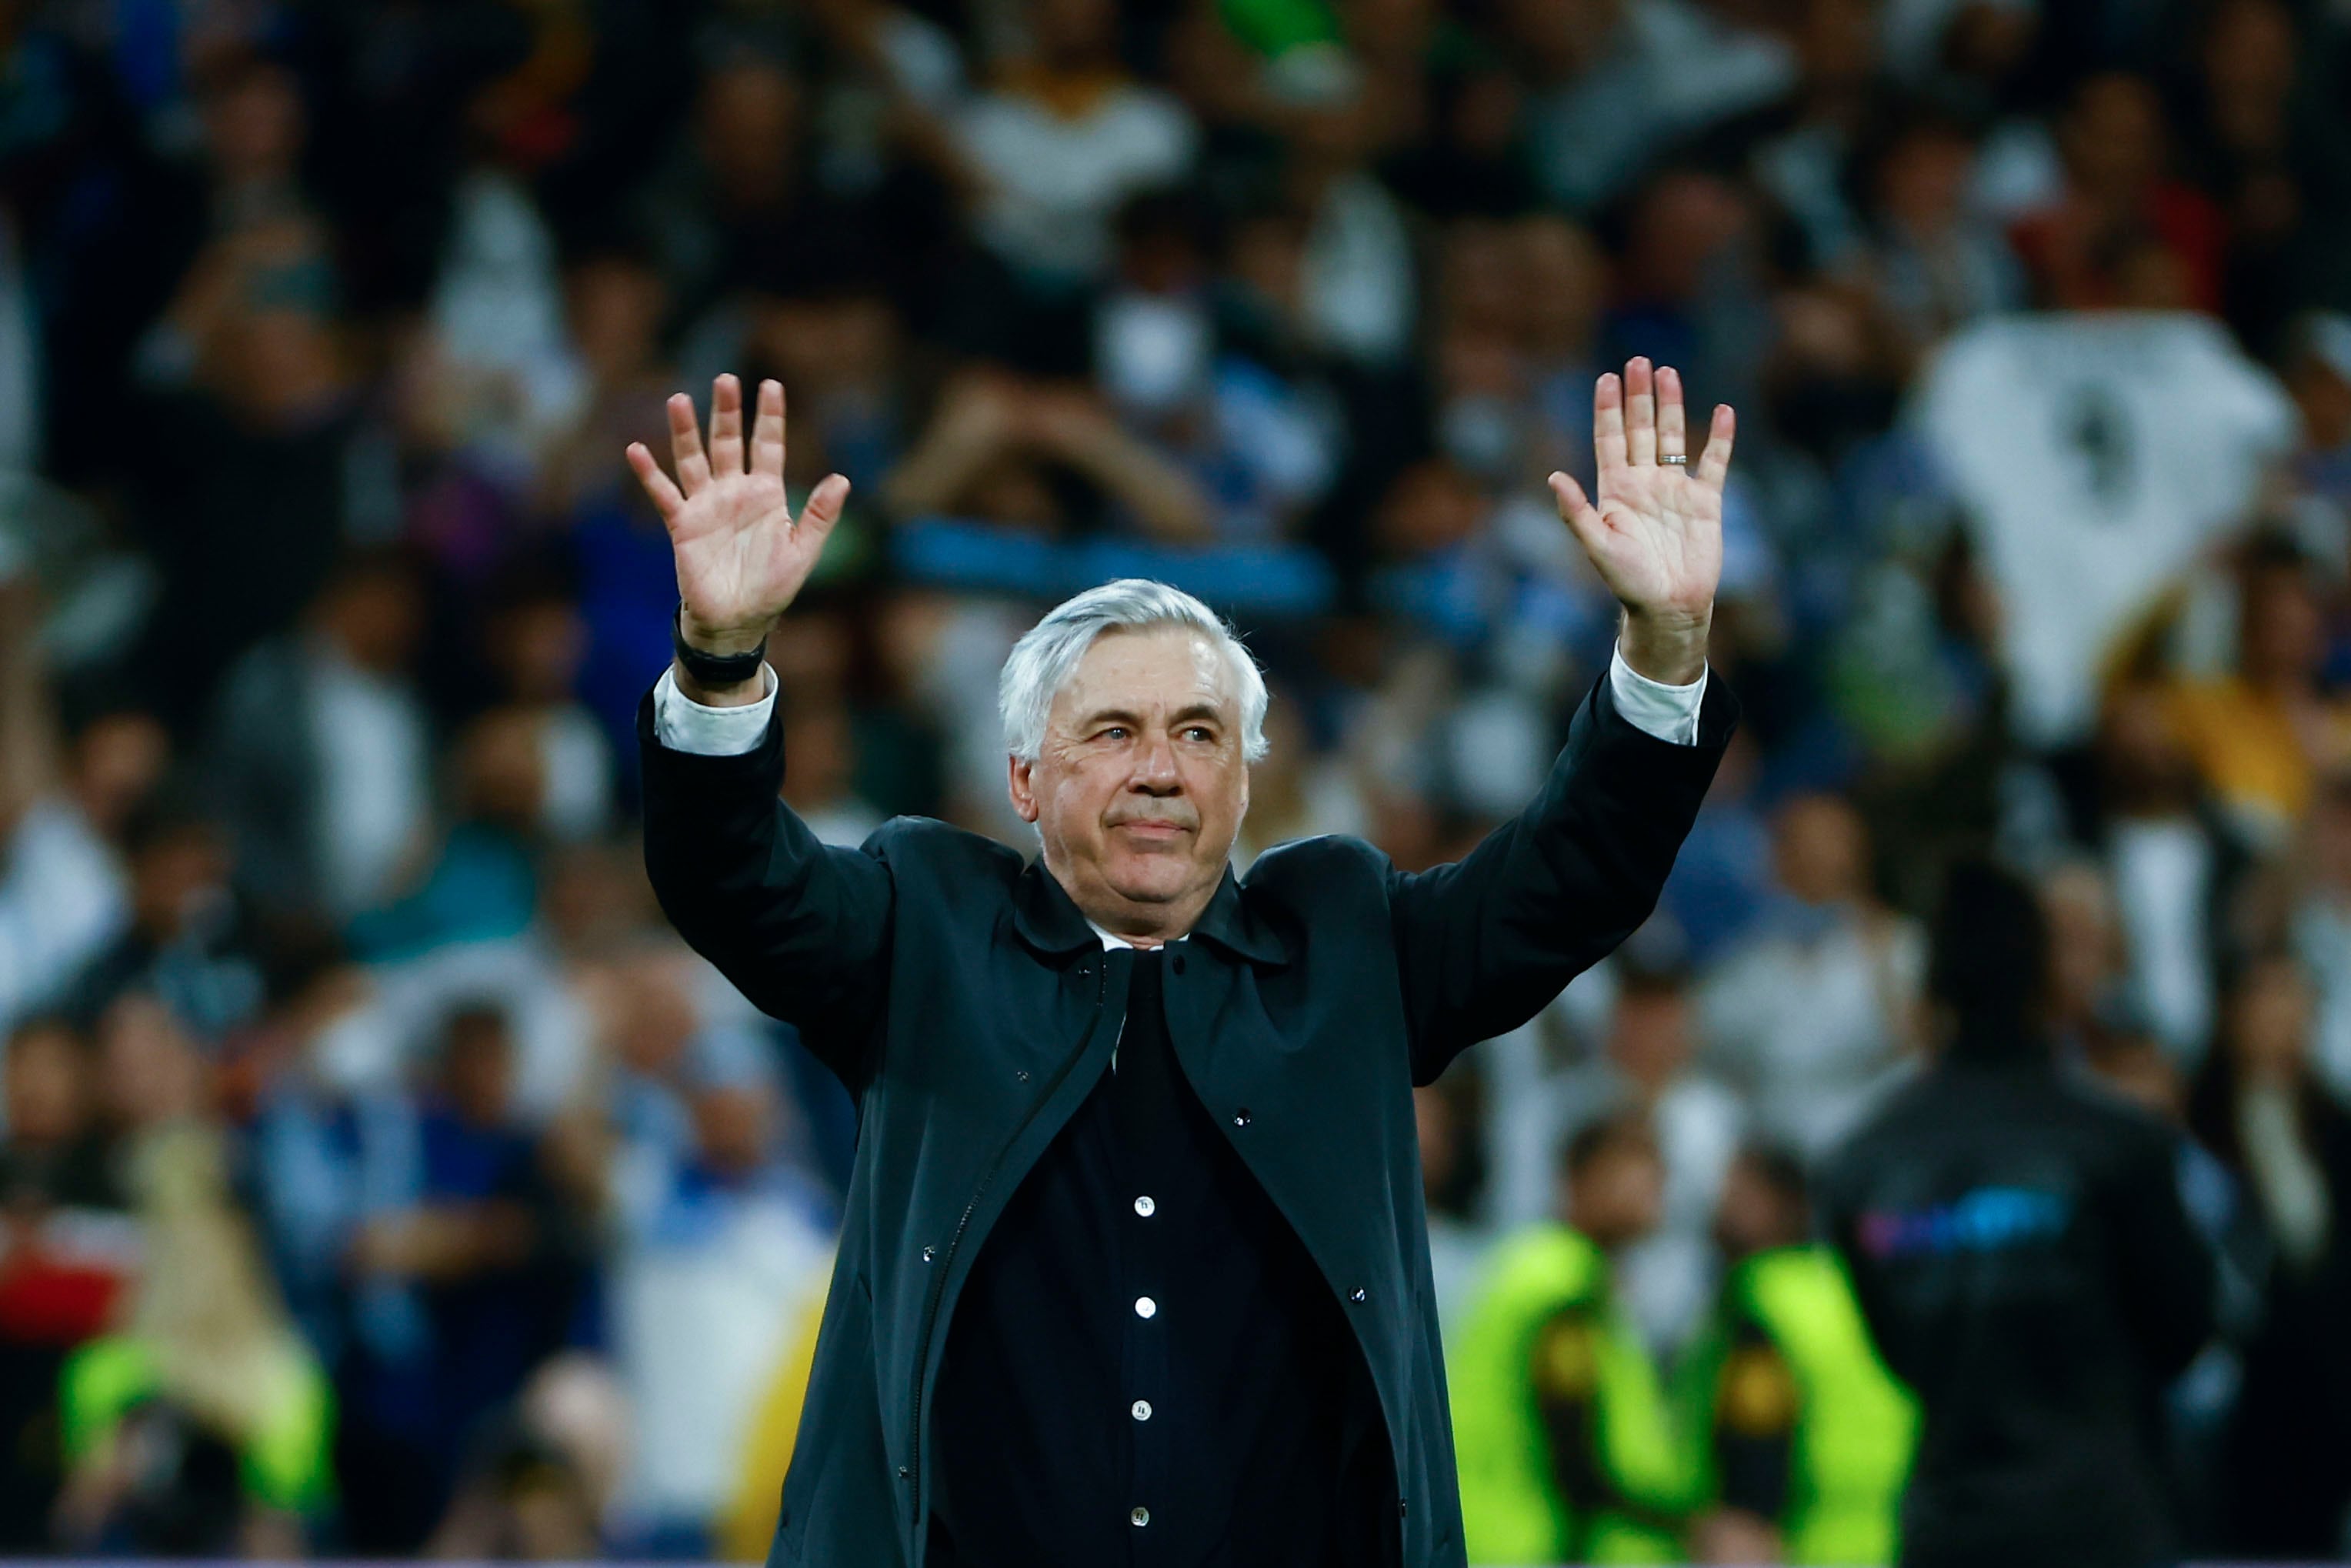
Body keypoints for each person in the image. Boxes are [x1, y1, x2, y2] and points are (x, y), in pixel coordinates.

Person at [628, 359, 1739, 1566]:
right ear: (1023, 778)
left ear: (1244, 782)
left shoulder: (1349, 943)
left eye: (1199, 735)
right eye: (1113, 731)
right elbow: (731, 878)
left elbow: (1573, 877)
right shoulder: (924, 926)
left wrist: (1663, 651)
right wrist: (721, 665)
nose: (1161, 769)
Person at [1817, 859, 2219, 1568]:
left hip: (1951, 1524)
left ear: (1932, 986)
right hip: (2101, 1523)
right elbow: (2184, 1332)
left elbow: (1897, 1353)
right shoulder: (2118, 1144)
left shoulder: (1860, 1165)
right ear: (2046, 978)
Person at [1451, 1110, 1694, 1564]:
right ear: (1577, 1180)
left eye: (1657, 1168)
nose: (1653, 1183)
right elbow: (1575, 1459)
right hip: (1531, 1546)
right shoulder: (1559, 1286)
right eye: (1631, 1167)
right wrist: (1685, 1524)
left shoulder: (1560, 1273)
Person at [1681, 1145, 1915, 1566]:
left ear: (1788, 1204)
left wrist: (1746, 1517)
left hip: (1804, 1538)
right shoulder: (1845, 1283)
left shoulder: (1763, 1291)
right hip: (1888, 1531)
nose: (1723, 1210)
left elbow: (1757, 1423)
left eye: (1741, 1195)